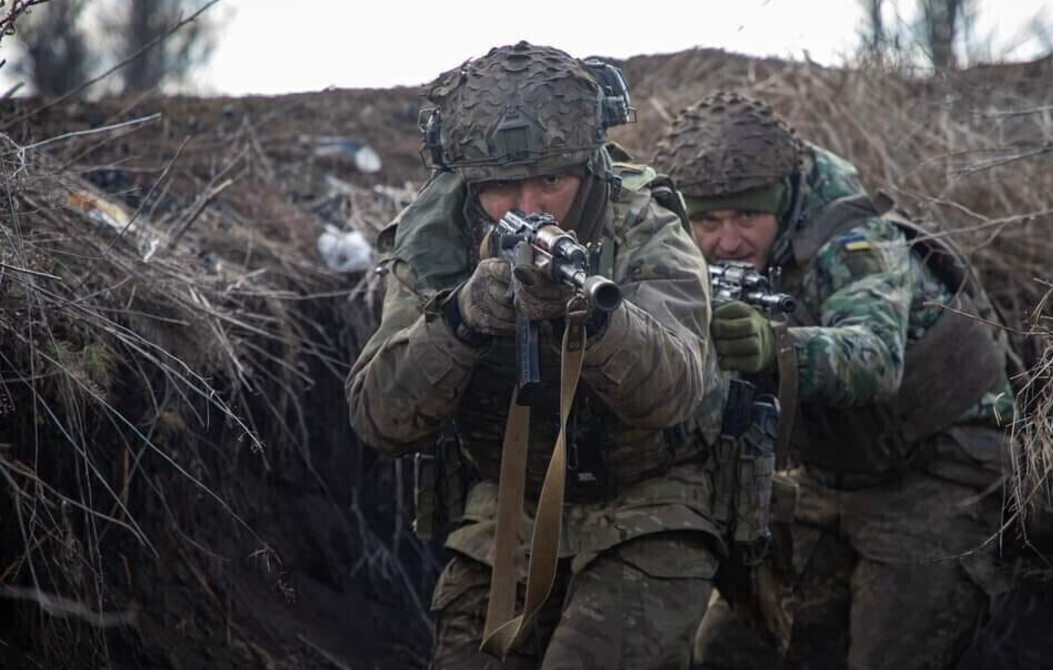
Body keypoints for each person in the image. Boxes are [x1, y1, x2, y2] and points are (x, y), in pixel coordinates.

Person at [346, 42, 726, 670]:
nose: (528, 208)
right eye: (501, 187)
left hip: (647, 504)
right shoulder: (436, 242)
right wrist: (462, 320)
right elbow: (378, 417)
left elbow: (676, 391)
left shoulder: (645, 226)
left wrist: (593, 323)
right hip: (508, 511)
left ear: (586, 168)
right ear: (470, 185)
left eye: (551, 180)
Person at [653, 91, 1014, 670]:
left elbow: (874, 358)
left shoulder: (853, 238)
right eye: (709, 222)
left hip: (940, 471)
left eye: (747, 218)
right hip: (827, 477)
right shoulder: (679, 247)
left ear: (782, 201)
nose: (728, 242)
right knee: (725, 649)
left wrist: (776, 348)